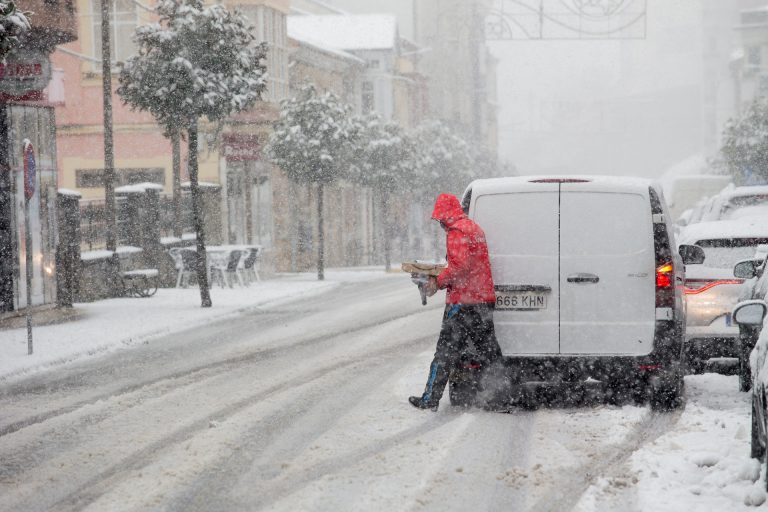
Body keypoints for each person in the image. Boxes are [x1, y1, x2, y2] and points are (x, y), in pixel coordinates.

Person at [409, 193, 503, 411]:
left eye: (440, 219)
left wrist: (438, 281)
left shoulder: (457, 231)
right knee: (490, 352)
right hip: (483, 301)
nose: (440, 223)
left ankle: (429, 399)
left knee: (445, 353)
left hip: (463, 302)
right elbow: (469, 264)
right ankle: (501, 397)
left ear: (445, 215)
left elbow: (460, 267)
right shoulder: (474, 228)